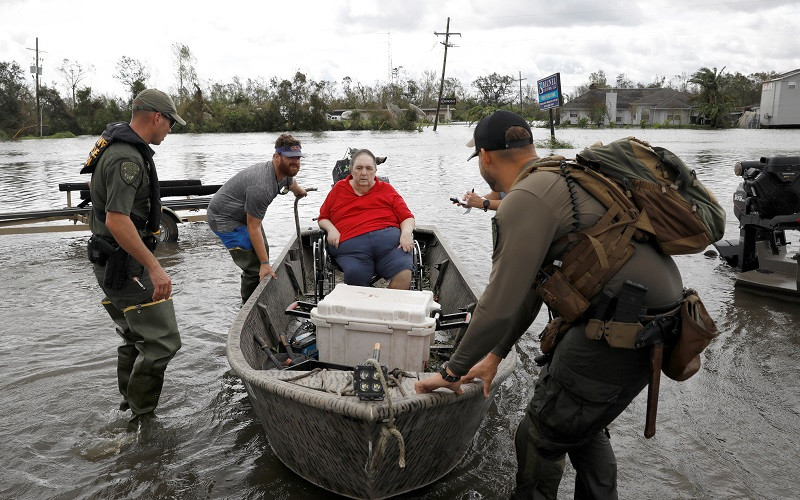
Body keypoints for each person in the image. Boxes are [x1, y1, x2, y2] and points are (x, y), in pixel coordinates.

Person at [415, 110, 684, 499]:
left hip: (620, 329)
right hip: (655, 323)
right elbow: (529, 291)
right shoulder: (564, 174)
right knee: (581, 428)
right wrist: (496, 354)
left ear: (485, 157)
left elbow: (497, 305)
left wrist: (452, 372)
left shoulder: (523, 199)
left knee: (539, 435)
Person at [82, 88, 186, 426]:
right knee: (162, 341)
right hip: (123, 265)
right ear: (157, 117)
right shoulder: (126, 157)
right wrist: (156, 268)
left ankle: (127, 408)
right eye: (170, 121)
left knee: (134, 336)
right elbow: (116, 219)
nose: (170, 128)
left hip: (114, 261)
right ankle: (142, 421)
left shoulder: (119, 147)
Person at [207, 134, 307, 303]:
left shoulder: (284, 172)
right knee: (254, 266)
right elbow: (253, 227)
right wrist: (265, 264)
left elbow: (290, 182)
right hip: (224, 219)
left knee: (263, 251)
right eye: (291, 158)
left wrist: (299, 191)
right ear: (277, 157)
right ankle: (247, 306)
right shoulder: (261, 186)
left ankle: (260, 289)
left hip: (243, 215)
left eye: (298, 158)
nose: (295, 162)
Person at [317, 149, 415, 289]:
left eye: (369, 168)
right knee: (356, 276)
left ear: (375, 171)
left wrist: (406, 233)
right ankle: (366, 306)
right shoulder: (339, 189)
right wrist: (331, 229)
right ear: (351, 170)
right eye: (359, 168)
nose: (364, 172)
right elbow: (323, 217)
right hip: (352, 248)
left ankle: (386, 308)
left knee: (404, 273)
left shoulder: (386, 189)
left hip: (389, 247)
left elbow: (407, 217)